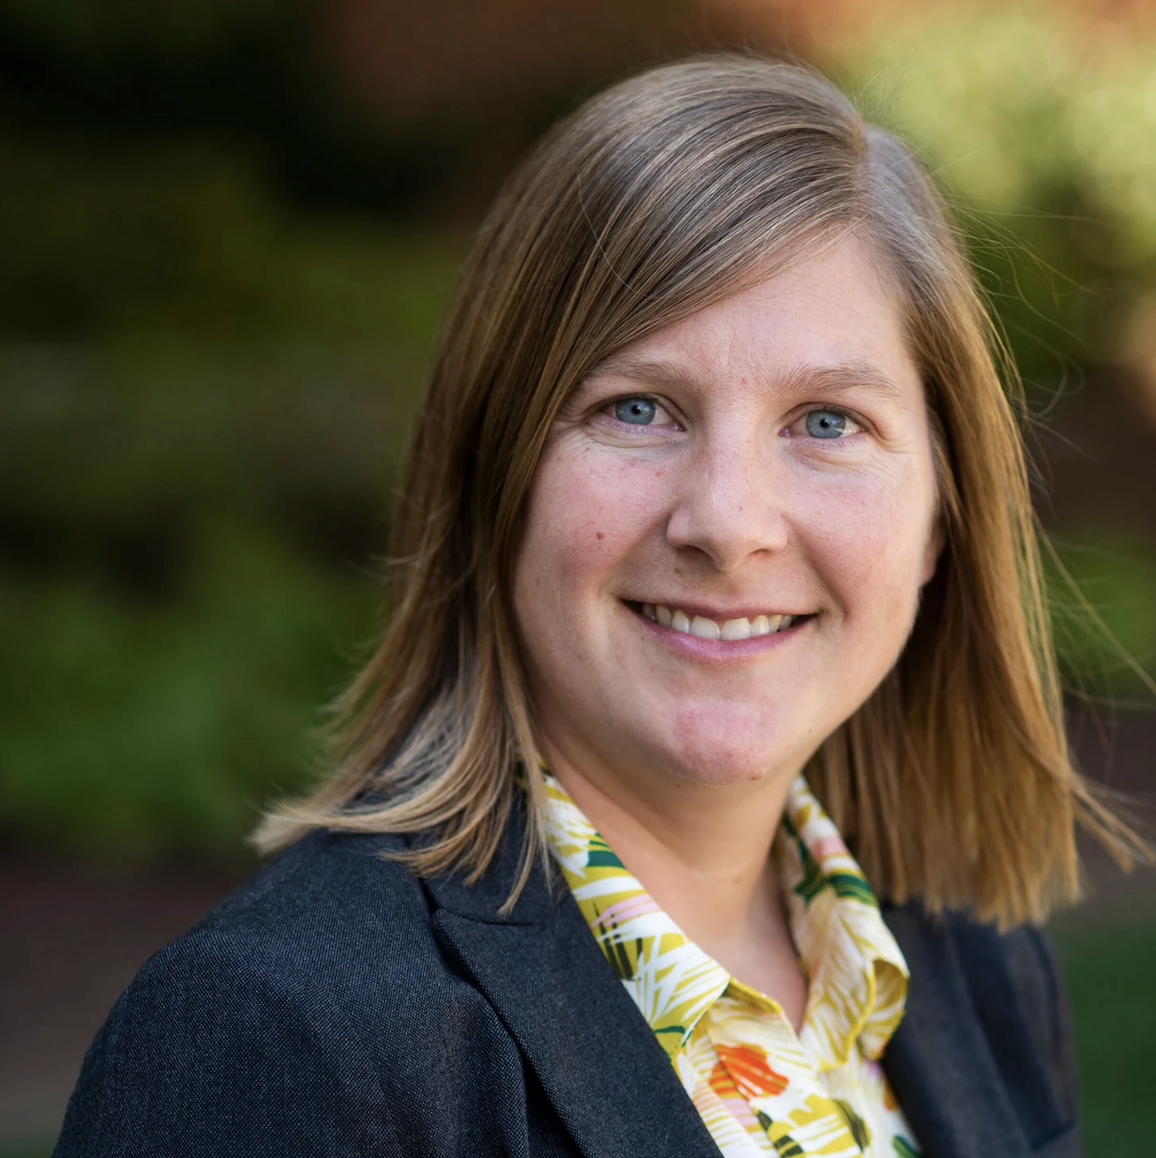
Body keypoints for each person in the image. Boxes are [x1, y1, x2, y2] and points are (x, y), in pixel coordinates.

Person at [55, 54, 1140, 1158]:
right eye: (636, 408)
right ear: (494, 479)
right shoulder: (279, 1040)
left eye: (825, 422)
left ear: (939, 523)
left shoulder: (979, 973)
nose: (727, 522)